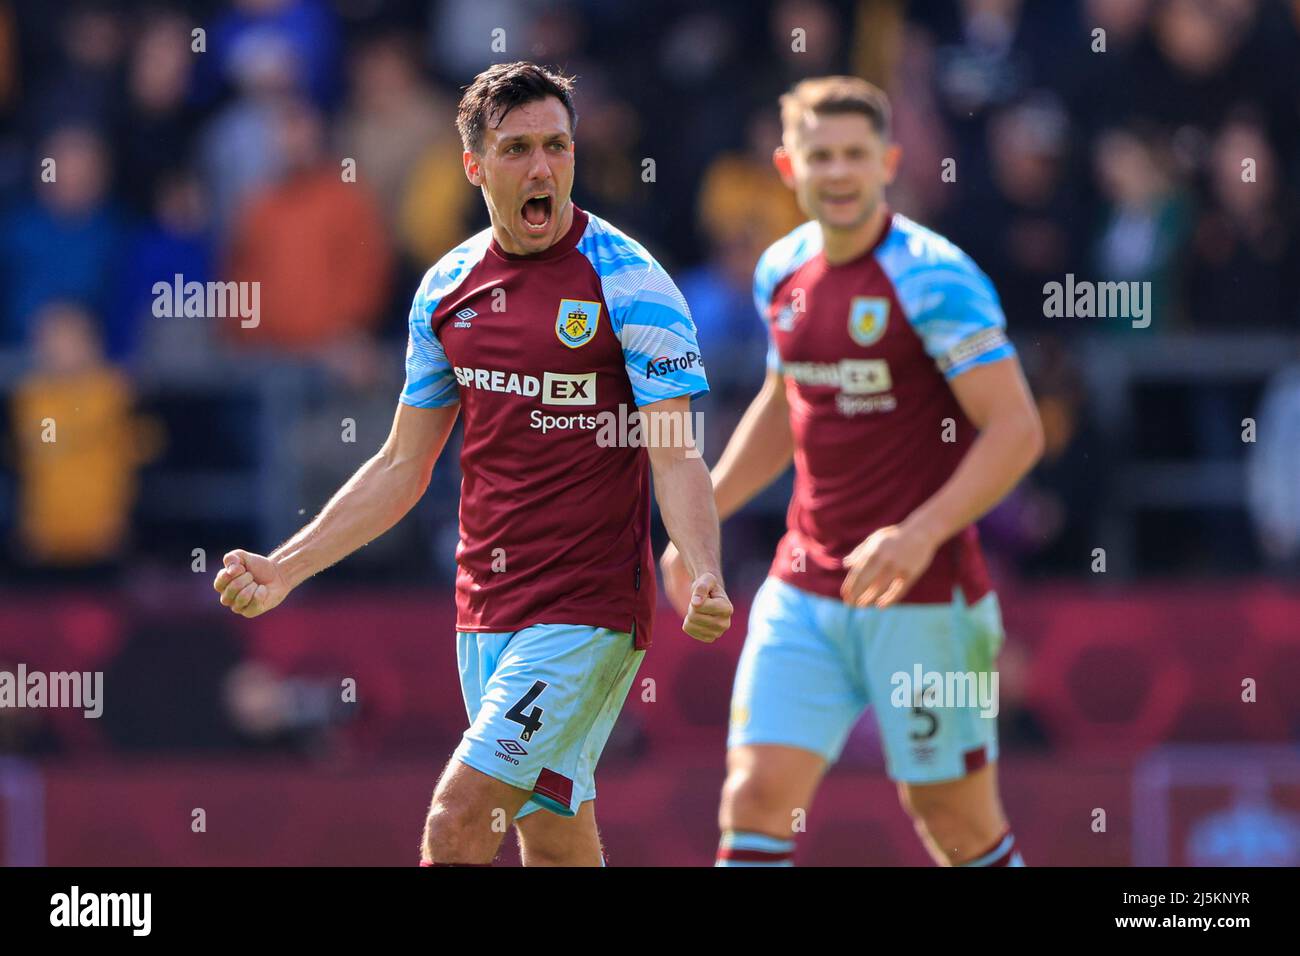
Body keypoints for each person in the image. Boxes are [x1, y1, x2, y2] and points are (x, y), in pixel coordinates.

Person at [213, 62, 732, 866]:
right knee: (555, 839)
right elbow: (399, 465)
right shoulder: (447, 290)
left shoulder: (633, 282)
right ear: (474, 166)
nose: (541, 168)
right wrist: (284, 569)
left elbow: (675, 451)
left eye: (557, 146)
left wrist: (702, 567)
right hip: (484, 606)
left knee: (457, 824)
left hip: (587, 612)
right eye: (517, 148)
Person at [662, 76, 1043, 867]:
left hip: (928, 594)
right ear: (786, 166)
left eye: (855, 156)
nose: (838, 172)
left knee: (955, 823)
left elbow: (1018, 429)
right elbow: (784, 403)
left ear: (889, 163)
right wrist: (701, 519)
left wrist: (920, 534)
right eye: (820, 155)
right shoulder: (780, 270)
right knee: (754, 798)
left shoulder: (936, 277)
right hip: (804, 586)